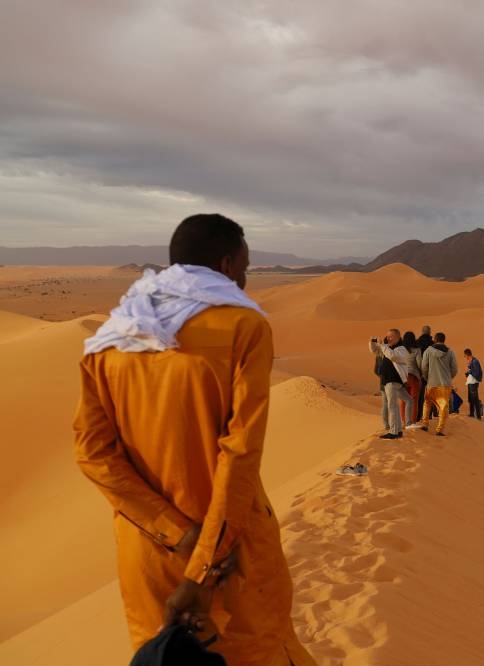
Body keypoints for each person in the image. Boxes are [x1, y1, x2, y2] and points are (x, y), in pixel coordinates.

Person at [73, 214, 316, 666]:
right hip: (228, 557)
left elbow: (92, 454)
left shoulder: (111, 339)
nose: (244, 281)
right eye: (243, 269)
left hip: (147, 555)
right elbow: (240, 453)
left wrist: (173, 531)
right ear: (226, 264)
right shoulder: (243, 328)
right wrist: (203, 563)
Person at [369, 329, 411, 440]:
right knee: (394, 406)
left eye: (391, 337)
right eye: (387, 336)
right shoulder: (388, 348)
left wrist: (383, 345)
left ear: (398, 337)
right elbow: (374, 351)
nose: (388, 338)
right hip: (388, 381)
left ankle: (393, 432)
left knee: (391, 406)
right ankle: (398, 430)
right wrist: (372, 342)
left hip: (393, 381)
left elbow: (393, 356)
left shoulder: (401, 349)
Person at [419, 331, 458, 436]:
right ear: (444, 340)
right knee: (443, 407)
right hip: (445, 385)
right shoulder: (450, 352)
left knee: (427, 403)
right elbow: (454, 369)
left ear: (435, 340)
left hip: (431, 383)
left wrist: (427, 377)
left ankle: (425, 424)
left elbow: (424, 366)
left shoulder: (428, 351)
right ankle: (439, 429)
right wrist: (448, 377)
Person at [400, 331, 423, 429]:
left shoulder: (400, 350)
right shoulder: (417, 350)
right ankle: (412, 422)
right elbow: (420, 364)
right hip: (413, 377)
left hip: (402, 376)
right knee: (414, 400)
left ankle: (404, 421)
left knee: (403, 400)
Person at [416, 325, 433, 417]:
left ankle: (418, 415)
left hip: (419, 371)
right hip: (430, 372)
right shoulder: (432, 344)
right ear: (430, 332)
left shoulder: (417, 343)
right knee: (429, 394)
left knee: (420, 394)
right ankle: (428, 415)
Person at [464, 348, 484, 419]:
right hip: (470, 382)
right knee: (471, 399)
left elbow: (477, 372)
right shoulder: (471, 361)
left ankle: (478, 416)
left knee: (475, 399)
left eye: (465, 356)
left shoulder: (475, 361)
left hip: (473, 383)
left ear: (467, 355)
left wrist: (470, 372)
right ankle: (472, 413)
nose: (465, 358)